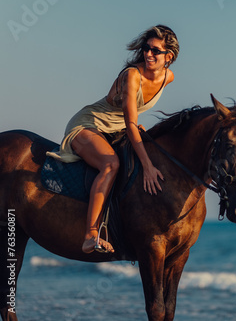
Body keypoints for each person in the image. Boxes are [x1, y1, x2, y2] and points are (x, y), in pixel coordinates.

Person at [47, 25, 179, 253]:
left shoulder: (168, 77)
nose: (148, 54)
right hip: (89, 124)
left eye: (155, 51)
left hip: (117, 127)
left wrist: (135, 126)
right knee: (110, 164)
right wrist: (147, 167)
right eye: (146, 48)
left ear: (169, 56)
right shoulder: (132, 76)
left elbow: (130, 117)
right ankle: (90, 234)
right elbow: (128, 122)